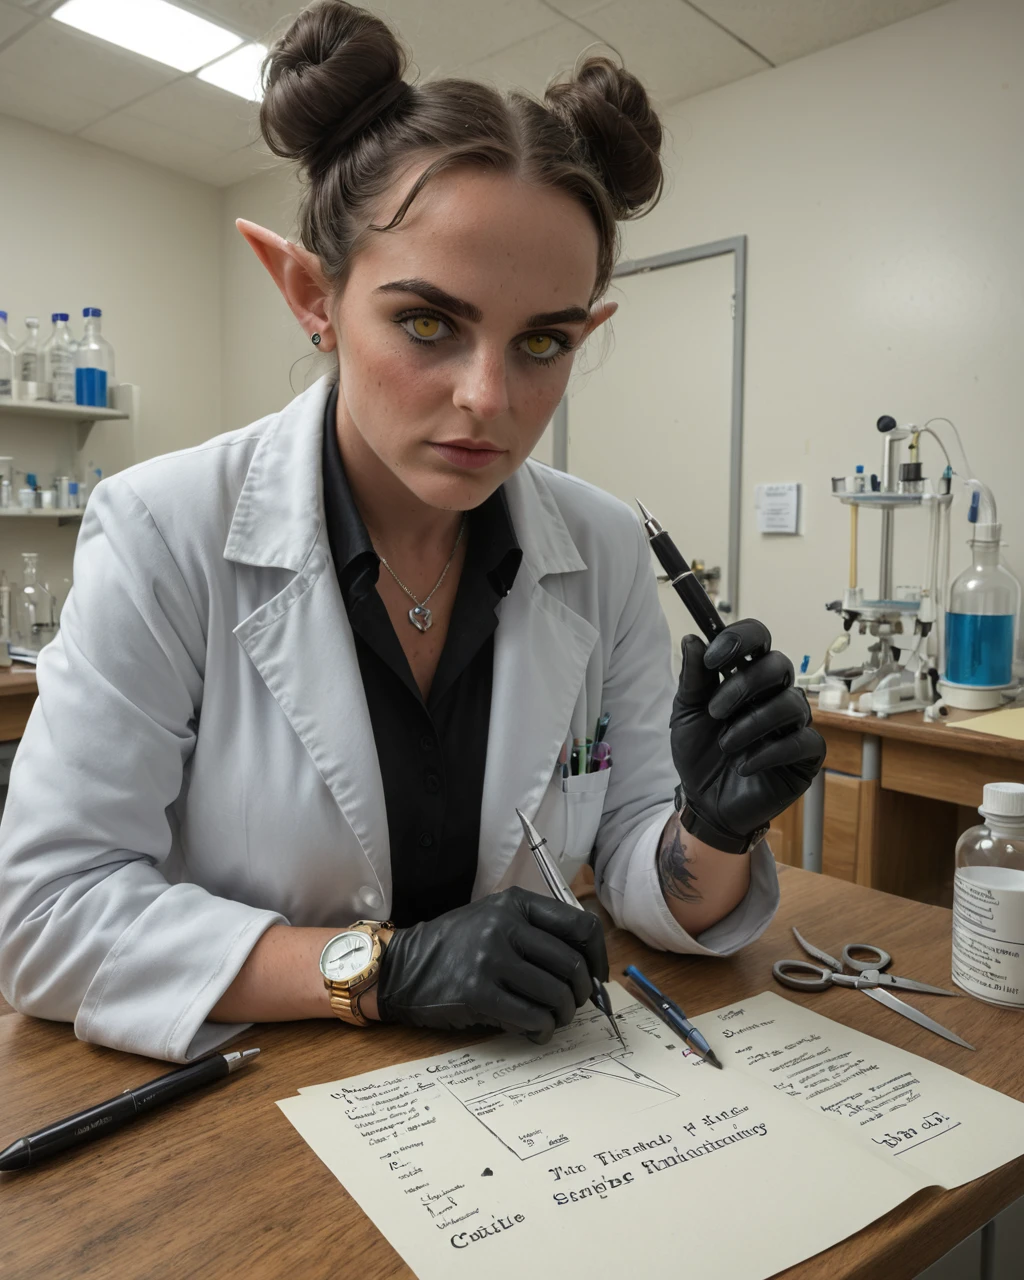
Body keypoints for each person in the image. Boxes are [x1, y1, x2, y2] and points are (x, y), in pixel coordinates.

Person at [0, 0, 824, 1063]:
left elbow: (637, 870)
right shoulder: (166, 529)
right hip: (258, 1114)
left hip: (534, 1107)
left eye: (541, 340)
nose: (488, 398)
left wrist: (713, 825)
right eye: (428, 322)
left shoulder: (605, 545)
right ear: (311, 293)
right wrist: (379, 966)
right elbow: (49, 917)